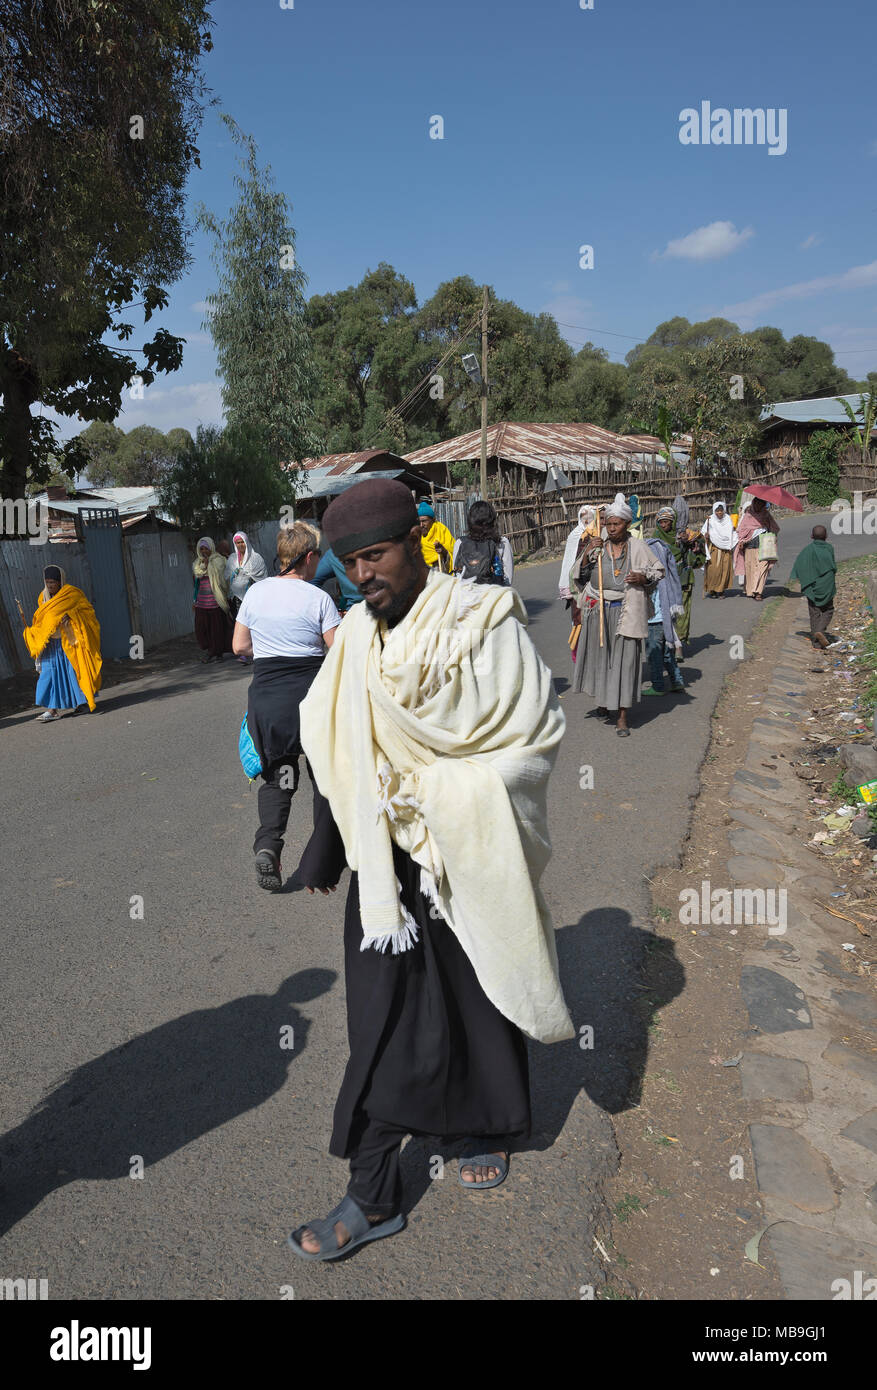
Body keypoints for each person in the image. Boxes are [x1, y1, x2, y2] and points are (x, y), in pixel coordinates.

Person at [286, 478, 572, 1261]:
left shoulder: (481, 621)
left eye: (374, 556)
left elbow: (528, 741)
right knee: (381, 1020)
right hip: (390, 869)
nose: (362, 575)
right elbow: (345, 750)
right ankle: (372, 1192)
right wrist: (329, 847)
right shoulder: (353, 637)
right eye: (348, 564)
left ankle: (486, 1125)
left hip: (470, 845)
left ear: (418, 540)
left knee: (480, 990)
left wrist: (435, 792)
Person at [232, 524, 340, 891]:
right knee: (324, 780)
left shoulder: (256, 593)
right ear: (309, 557)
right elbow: (337, 651)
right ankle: (320, 861)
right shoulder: (318, 598)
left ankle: (268, 846)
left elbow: (239, 646)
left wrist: (269, 648)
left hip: (268, 702)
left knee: (279, 779)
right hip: (310, 700)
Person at [570, 492, 663, 736]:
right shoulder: (597, 546)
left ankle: (622, 715)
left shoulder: (639, 546)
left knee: (625, 662)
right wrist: (589, 549)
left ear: (627, 524)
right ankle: (603, 702)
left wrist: (643, 578)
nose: (611, 528)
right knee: (602, 659)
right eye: (608, 524)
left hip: (627, 610)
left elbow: (658, 571)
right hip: (598, 611)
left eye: (616, 524)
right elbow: (577, 575)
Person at [19, 566, 102, 722]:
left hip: (70, 642)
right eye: (48, 582)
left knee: (74, 672)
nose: (50, 585)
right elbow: (42, 620)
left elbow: (87, 612)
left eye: (53, 582)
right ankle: (52, 709)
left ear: (60, 581)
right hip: (51, 645)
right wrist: (33, 633)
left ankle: (83, 703)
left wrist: (70, 616)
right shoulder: (42, 598)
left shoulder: (72, 594)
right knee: (49, 674)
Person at [652, 506, 704, 654]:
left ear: (673, 522)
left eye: (666, 522)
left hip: (683, 577)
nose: (663, 525)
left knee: (682, 611)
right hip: (663, 580)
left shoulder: (683, 533)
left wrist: (689, 542)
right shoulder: (656, 537)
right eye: (661, 522)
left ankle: (679, 642)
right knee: (665, 612)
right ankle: (669, 642)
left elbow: (701, 543)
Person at [642, 536, 685, 696]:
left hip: (654, 618)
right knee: (667, 652)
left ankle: (658, 686)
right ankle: (677, 681)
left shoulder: (652, 578)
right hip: (666, 617)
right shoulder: (666, 578)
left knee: (653, 653)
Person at [789, 525, 839, 648]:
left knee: (814, 612)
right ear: (826, 536)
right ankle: (820, 631)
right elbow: (832, 566)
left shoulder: (807, 550)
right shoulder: (829, 548)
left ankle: (816, 643)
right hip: (826, 585)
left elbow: (799, 565)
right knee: (828, 610)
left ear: (811, 536)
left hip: (812, 586)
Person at [451, 499, 513, 585]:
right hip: (493, 594)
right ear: (492, 520)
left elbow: (456, 573)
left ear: (470, 520)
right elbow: (508, 577)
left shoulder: (460, 542)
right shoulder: (502, 542)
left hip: (467, 594)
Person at [192, 537, 232, 662]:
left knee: (217, 629)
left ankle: (218, 653)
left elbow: (224, 580)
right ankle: (210, 651)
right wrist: (194, 600)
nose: (204, 551)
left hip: (215, 601)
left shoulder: (219, 561)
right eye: (201, 549)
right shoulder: (197, 564)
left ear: (211, 548)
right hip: (202, 602)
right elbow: (197, 580)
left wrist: (210, 565)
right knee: (203, 629)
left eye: (206, 548)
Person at [733, 497, 779, 601]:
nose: (759, 506)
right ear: (754, 503)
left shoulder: (766, 515)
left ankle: (759, 592)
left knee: (762, 569)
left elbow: (775, 527)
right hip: (749, 546)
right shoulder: (748, 515)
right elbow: (741, 530)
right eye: (757, 503)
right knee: (751, 569)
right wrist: (741, 541)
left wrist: (767, 530)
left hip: (764, 546)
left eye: (761, 504)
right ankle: (751, 591)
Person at [225, 531, 268, 616]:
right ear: (235, 544)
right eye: (238, 543)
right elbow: (227, 575)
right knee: (239, 620)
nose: (240, 545)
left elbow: (262, 578)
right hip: (235, 597)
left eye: (242, 542)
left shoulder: (255, 558)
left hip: (252, 597)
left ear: (246, 542)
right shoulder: (232, 558)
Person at [312, 546, 364, 615]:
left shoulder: (334, 553)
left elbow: (311, 582)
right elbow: (312, 582)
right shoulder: (333, 554)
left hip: (355, 613)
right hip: (359, 612)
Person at [701, 502, 738, 597]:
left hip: (725, 550)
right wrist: (706, 536)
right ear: (714, 511)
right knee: (713, 570)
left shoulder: (728, 520)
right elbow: (703, 532)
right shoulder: (710, 520)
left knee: (724, 570)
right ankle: (712, 589)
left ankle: (720, 590)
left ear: (724, 510)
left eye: (721, 510)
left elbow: (731, 533)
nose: (719, 513)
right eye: (717, 511)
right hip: (714, 549)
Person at [417, 501, 455, 572]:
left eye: (424, 521)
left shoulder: (442, 531)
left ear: (433, 520)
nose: (421, 525)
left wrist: (444, 552)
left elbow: (455, 553)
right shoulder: (416, 536)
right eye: (419, 522)